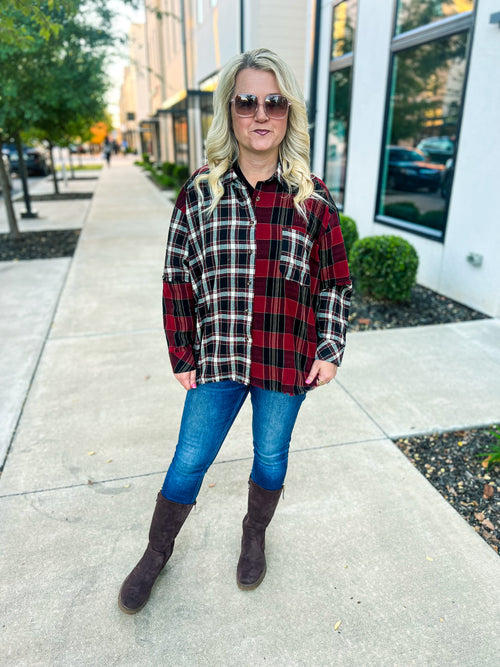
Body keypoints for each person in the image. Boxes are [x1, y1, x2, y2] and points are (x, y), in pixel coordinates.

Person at [118, 48, 352, 615]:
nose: (261, 114)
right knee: (188, 461)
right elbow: (177, 278)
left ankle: (254, 535)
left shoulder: (313, 200)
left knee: (270, 457)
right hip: (217, 360)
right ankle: (155, 553)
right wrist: (180, 354)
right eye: (247, 101)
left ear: (289, 111)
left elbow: (335, 283)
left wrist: (331, 348)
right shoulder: (200, 193)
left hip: (285, 359)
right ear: (230, 111)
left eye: (273, 101)